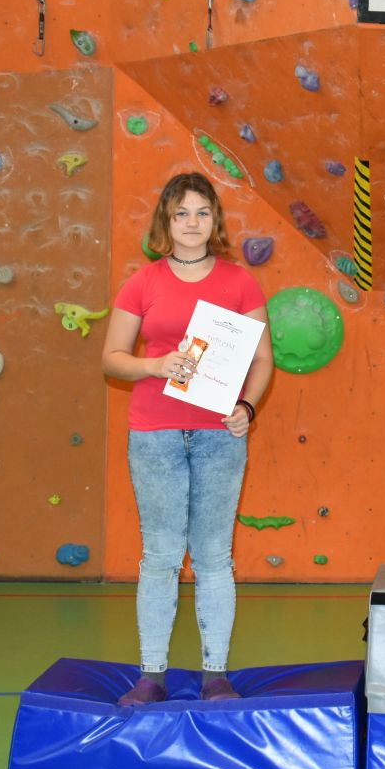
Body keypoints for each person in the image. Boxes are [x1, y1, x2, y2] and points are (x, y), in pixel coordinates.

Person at [102, 172, 274, 704]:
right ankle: (151, 675)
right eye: (181, 213)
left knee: (214, 556)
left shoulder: (240, 283)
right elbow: (112, 358)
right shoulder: (142, 282)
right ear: (166, 221)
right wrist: (155, 366)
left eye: (202, 212)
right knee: (160, 555)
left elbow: (263, 360)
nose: (192, 223)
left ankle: (215, 675)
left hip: (219, 435)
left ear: (215, 220)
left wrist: (247, 407)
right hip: (154, 435)